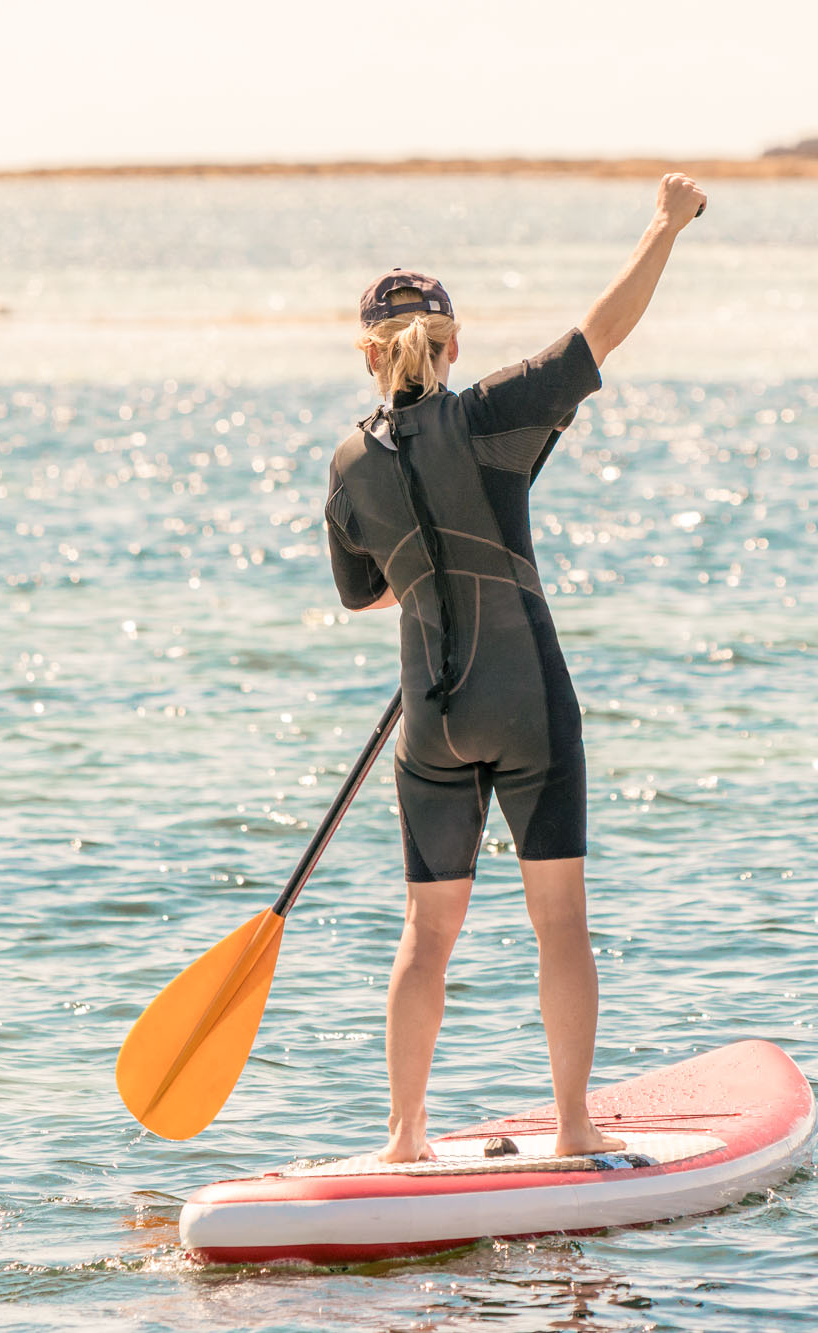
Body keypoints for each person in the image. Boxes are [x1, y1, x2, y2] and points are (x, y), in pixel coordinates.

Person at [324, 174, 707, 1162]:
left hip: (432, 717)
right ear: (449, 346)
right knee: (558, 924)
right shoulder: (495, 414)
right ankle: (572, 1124)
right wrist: (662, 226)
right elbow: (599, 334)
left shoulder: (346, 467)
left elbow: (364, 593)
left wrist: (430, 568)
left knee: (426, 934)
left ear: (366, 355)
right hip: (526, 704)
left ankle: (404, 1137)